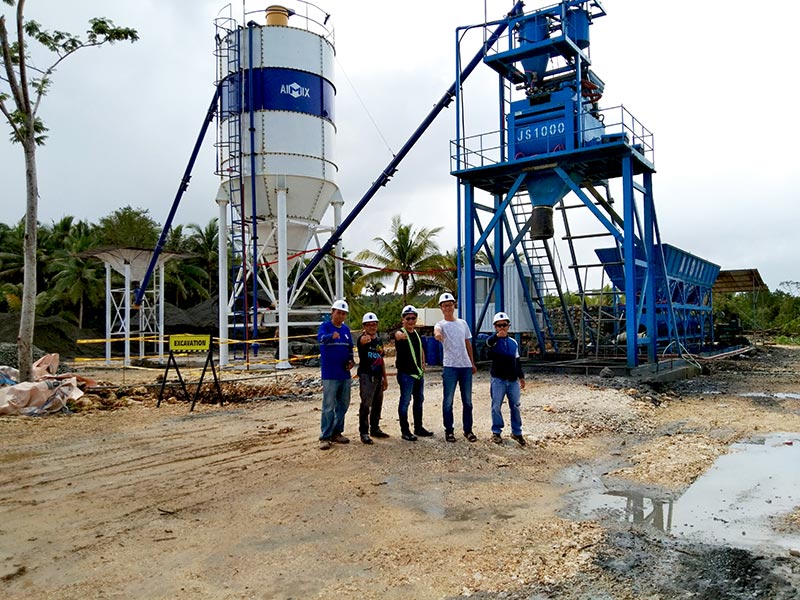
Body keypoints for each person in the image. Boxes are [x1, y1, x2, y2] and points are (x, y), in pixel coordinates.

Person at [433, 292, 477, 443]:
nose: (447, 308)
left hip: (465, 366)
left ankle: (468, 430)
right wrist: (438, 335)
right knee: (448, 401)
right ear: (441, 308)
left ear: (454, 306)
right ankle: (449, 431)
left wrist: (472, 362)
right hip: (450, 366)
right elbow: (437, 332)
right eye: (444, 305)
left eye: (450, 304)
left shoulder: (462, 323)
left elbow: (467, 343)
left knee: (468, 401)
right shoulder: (440, 325)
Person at [317, 299, 355, 450]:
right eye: (338, 312)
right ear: (332, 312)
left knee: (343, 405)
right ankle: (325, 436)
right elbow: (320, 339)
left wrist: (351, 361)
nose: (341, 316)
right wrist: (329, 337)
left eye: (344, 314)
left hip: (344, 374)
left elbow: (350, 348)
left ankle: (337, 432)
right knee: (328, 406)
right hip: (330, 374)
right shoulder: (325, 327)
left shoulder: (346, 330)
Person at [394, 305, 434, 441]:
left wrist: (423, 363)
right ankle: (405, 430)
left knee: (419, 401)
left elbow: (420, 348)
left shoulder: (416, 333)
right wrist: (399, 335)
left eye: (413, 318)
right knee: (405, 402)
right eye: (408, 318)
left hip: (418, 374)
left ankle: (418, 427)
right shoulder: (401, 333)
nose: (411, 321)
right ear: (403, 319)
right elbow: (397, 336)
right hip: (406, 375)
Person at [486, 311, 526, 446]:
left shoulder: (513, 342)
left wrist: (521, 377)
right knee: (496, 406)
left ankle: (517, 432)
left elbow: (517, 361)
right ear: (495, 327)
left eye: (504, 325)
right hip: (498, 379)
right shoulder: (493, 342)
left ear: (508, 326)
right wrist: (496, 337)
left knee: (515, 406)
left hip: (512, 380)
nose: (502, 328)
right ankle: (496, 431)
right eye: (499, 325)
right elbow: (487, 350)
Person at [356, 312, 389, 444]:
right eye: (369, 325)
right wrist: (363, 340)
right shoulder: (363, 339)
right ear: (364, 326)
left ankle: (375, 428)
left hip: (378, 376)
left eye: (374, 324)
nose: (372, 327)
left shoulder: (378, 340)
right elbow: (361, 342)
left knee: (377, 404)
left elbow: (381, 360)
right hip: (366, 376)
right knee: (366, 404)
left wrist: (385, 378)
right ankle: (364, 432)